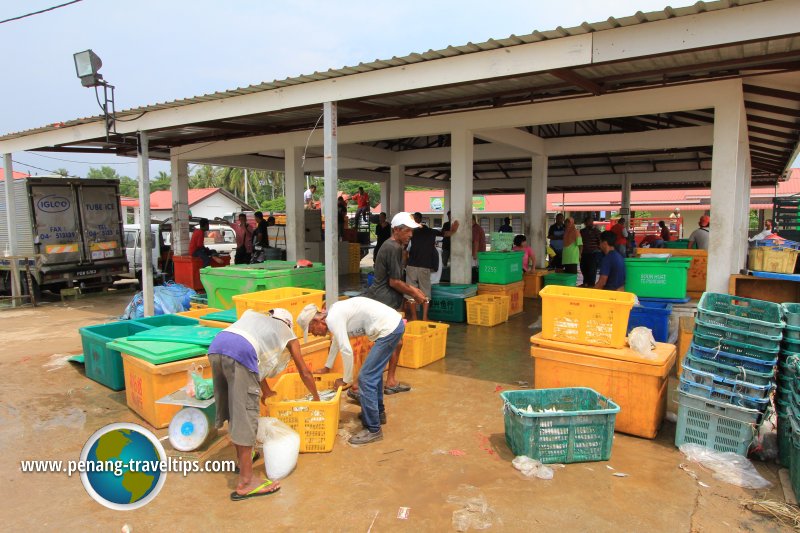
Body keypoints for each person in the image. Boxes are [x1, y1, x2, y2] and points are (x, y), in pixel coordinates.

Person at [207, 308, 319, 501]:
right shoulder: (288, 333)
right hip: (241, 351)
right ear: (288, 324)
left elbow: (258, 365)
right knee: (246, 415)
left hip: (217, 345)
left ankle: (244, 461)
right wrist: (317, 398)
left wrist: (267, 392)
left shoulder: (256, 319)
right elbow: (305, 372)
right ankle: (246, 482)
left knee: (234, 409)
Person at [298, 297, 405, 446]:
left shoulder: (334, 318)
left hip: (389, 329)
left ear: (317, 321)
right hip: (390, 326)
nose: (314, 334)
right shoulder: (332, 317)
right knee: (373, 374)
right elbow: (337, 341)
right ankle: (378, 414)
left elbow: (346, 350)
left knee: (366, 378)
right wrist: (327, 366)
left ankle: (373, 429)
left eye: (311, 330)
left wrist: (346, 380)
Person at [365, 212, 427, 395]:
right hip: (383, 301)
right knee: (386, 343)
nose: (410, 235)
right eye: (408, 231)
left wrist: (411, 293)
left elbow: (397, 280)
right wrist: (414, 292)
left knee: (396, 343)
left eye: (411, 231)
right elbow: (393, 281)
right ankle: (362, 383)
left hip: (389, 300)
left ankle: (390, 380)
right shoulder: (391, 247)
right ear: (397, 230)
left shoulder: (397, 247)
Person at [405, 212, 459, 321]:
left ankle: (414, 317)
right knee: (426, 293)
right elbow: (446, 234)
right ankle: (424, 317)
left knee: (411, 293)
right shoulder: (431, 232)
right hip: (424, 266)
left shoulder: (411, 232)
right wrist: (454, 230)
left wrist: (404, 264)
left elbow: (404, 250)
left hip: (411, 266)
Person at [580, 216, 602, 287]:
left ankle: (591, 285)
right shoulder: (582, 231)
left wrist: (597, 249)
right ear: (585, 223)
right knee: (583, 268)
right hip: (584, 253)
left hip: (593, 254)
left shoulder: (597, 231)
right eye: (589, 222)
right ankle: (585, 282)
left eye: (591, 221)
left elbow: (600, 242)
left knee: (592, 270)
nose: (590, 223)